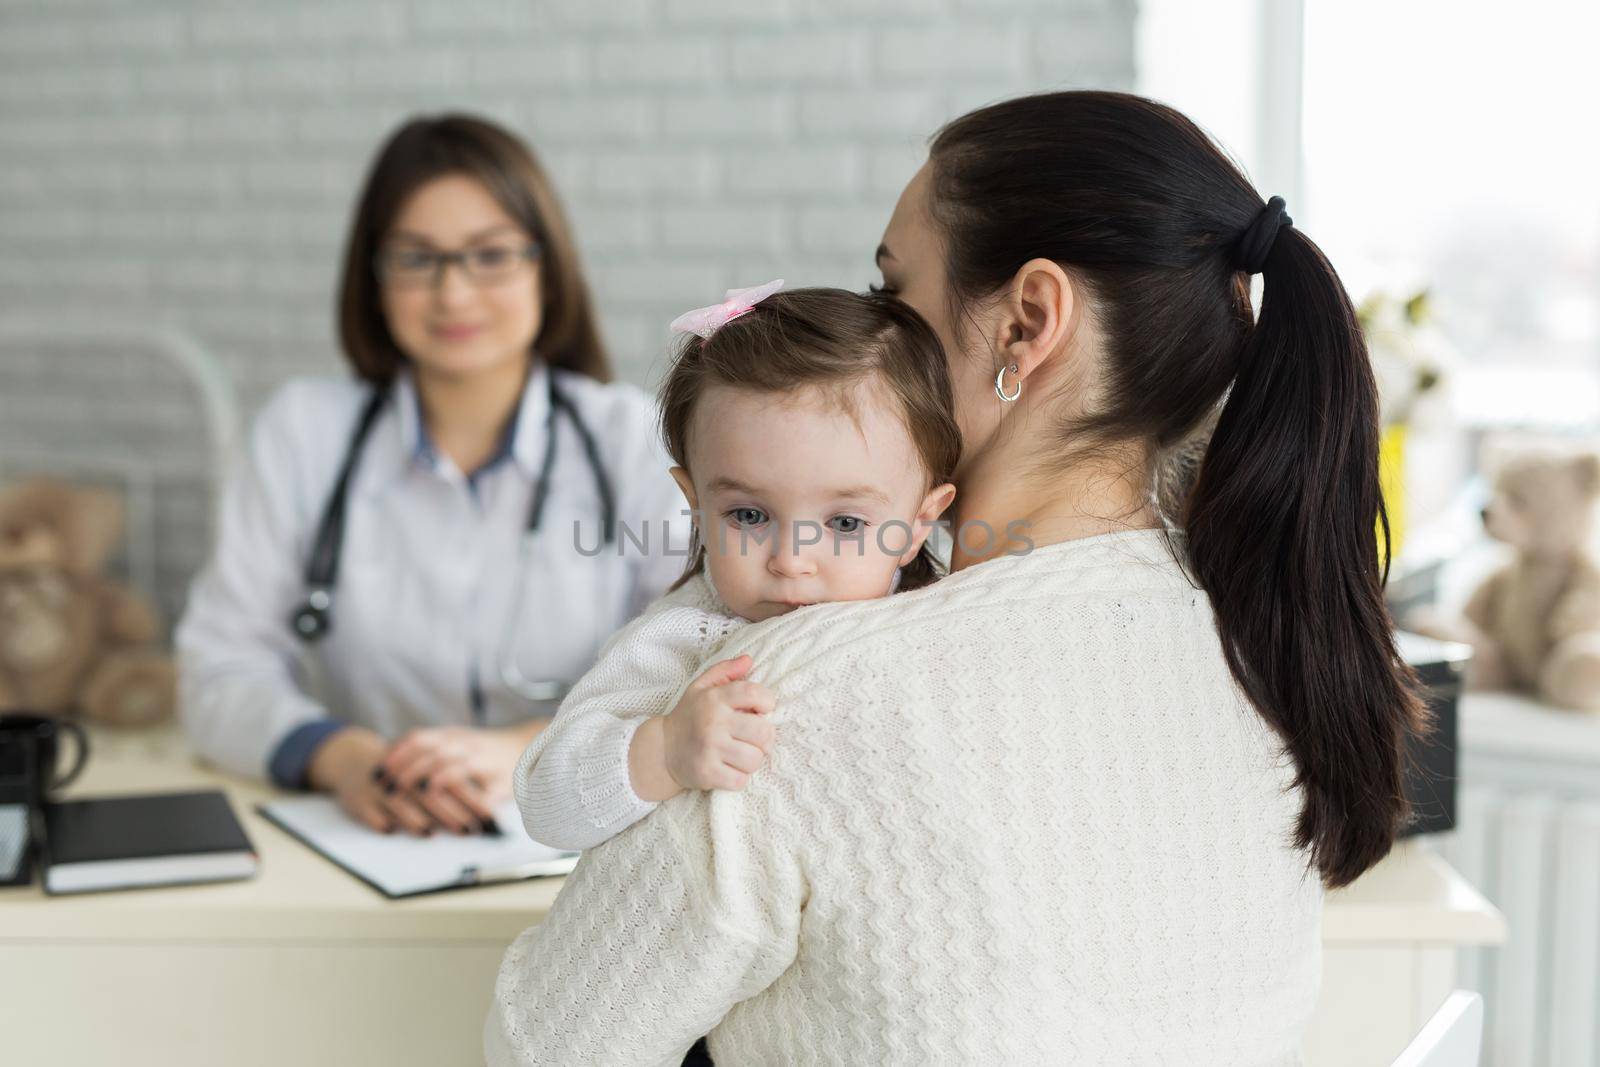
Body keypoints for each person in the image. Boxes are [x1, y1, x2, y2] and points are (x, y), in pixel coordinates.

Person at [485, 90, 1427, 1065]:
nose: (871, 333)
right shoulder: (1256, 655)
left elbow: (545, 1041)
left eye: (894, 294)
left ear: (1026, 323)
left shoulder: (792, 690)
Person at [176, 114, 687, 837]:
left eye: (490, 256)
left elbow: (692, 657)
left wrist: (523, 750)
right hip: (372, 826)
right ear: (374, 276)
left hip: (583, 833)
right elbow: (219, 667)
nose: (453, 294)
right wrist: (344, 757)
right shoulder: (305, 430)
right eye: (417, 259)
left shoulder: (632, 437)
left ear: (548, 266)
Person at [512, 285, 958, 851]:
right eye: (749, 514)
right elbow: (544, 803)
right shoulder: (676, 646)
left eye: (845, 524)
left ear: (919, 523)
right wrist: (665, 751)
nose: (791, 561)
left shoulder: (943, 628)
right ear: (695, 502)